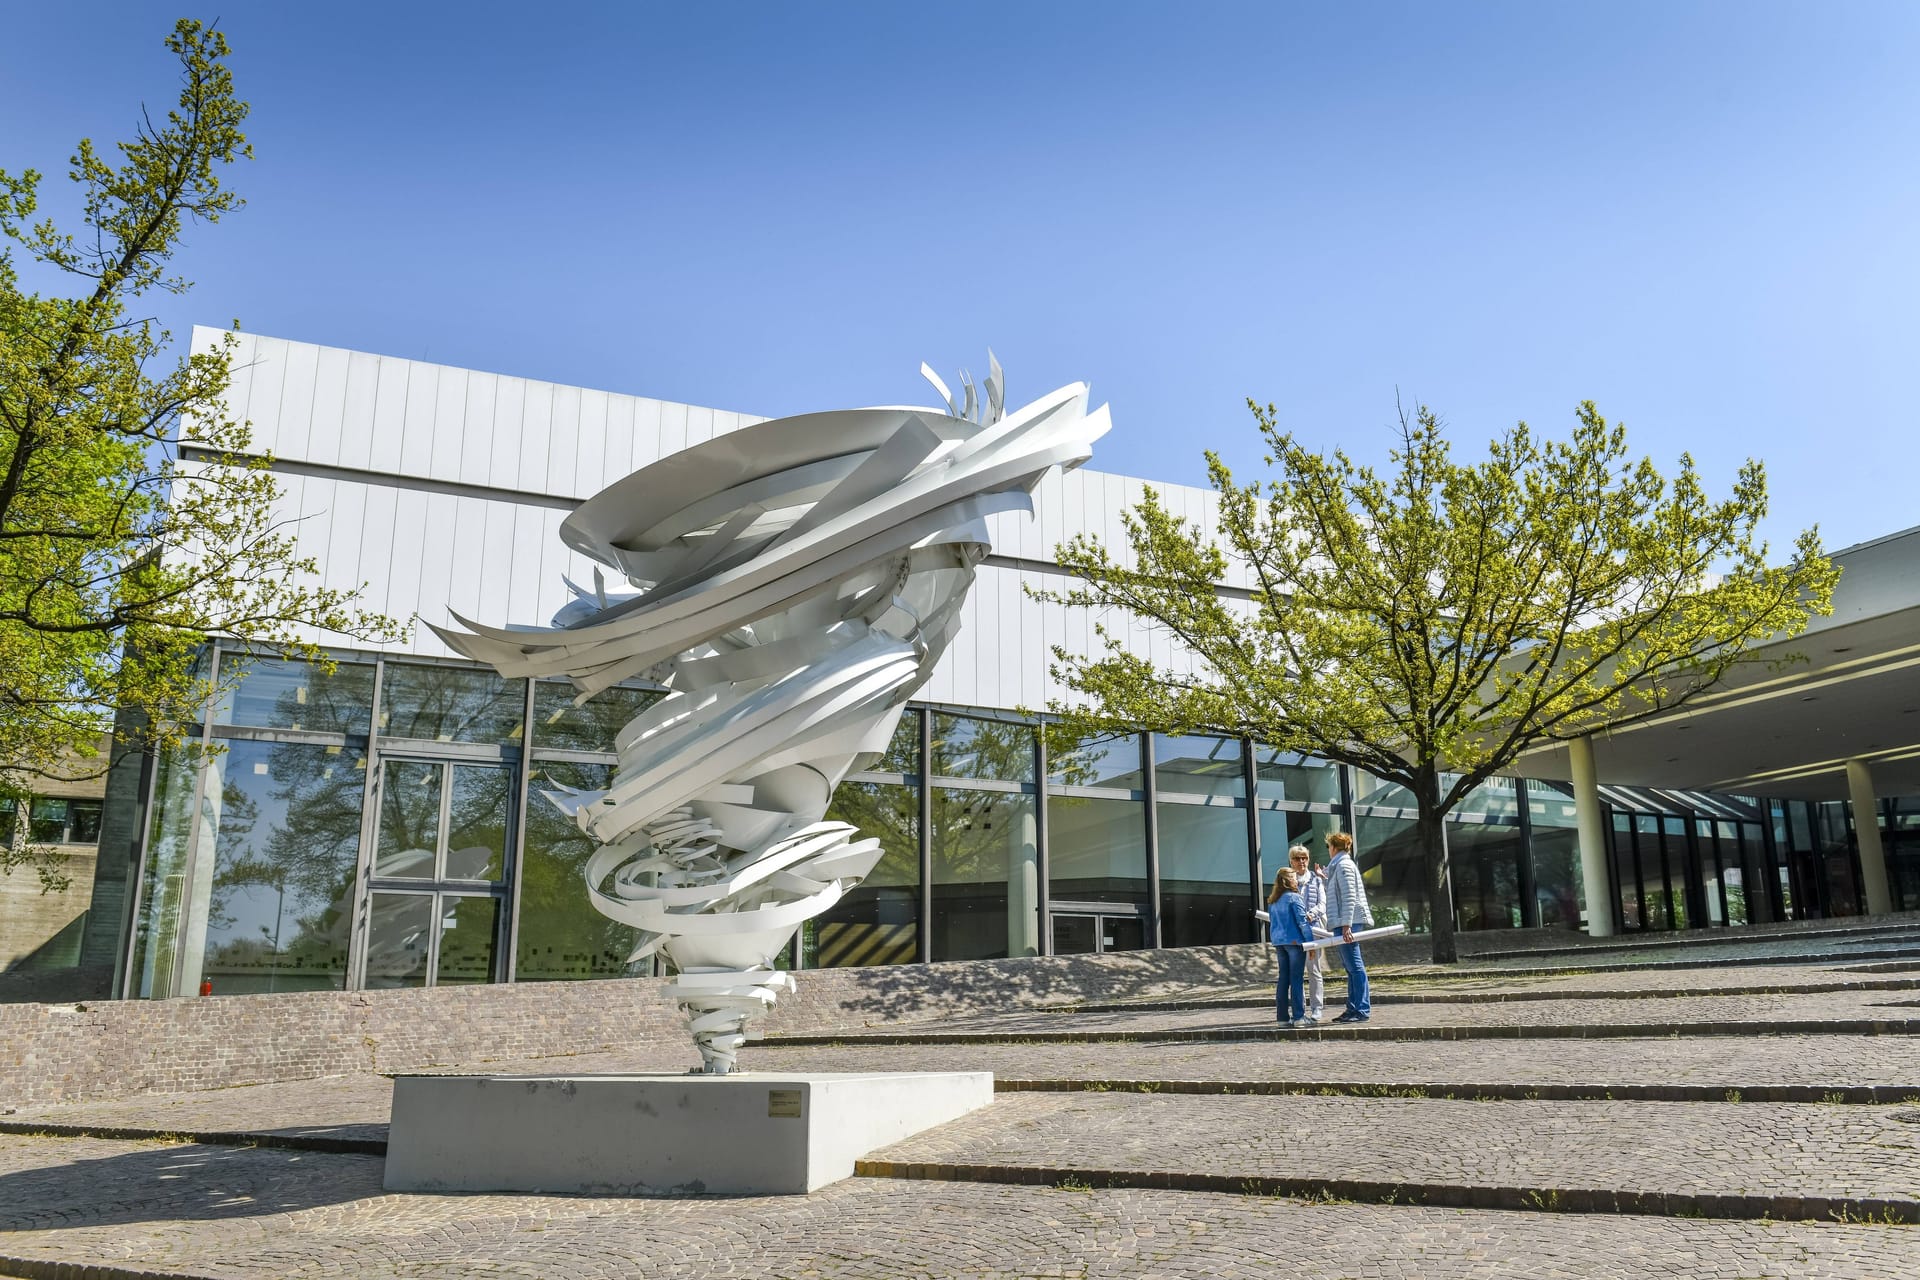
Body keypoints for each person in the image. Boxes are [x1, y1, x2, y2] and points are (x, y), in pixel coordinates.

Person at [1323, 830, 1374, 1023]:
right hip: (1343, 922)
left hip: (1347, 922)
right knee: (1350, 967)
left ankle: (1361, 1009)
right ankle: (1353, 1008)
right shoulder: (1339, 866)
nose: (1329, 850)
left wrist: (1346, 925)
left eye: (1329, 846)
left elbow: (1349, 897)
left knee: (1355, 965)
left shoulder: (1343, 865)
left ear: (1334, 847)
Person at [1266, 865, 1314, 1029]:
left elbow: (1273, 924)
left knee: (1283, 979)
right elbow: (1303, 923)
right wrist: (1311, 944)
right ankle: (1299, 1017)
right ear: (1288, 881)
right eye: (1294, 878)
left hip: (1279, 943)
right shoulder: (1294, 898)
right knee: (1296, 979)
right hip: (1295, 943)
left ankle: (1282, 1018)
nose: (1297, 881)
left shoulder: (1273, 901)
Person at [1289, 843, 1328, 1022]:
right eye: (1297, 858)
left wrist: (1311, 914)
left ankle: (1317, 1008)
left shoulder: (1316, 879)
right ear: (1291, 861)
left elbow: (1322, 904)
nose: (1301, 861)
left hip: (1314, 930)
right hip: (1295, 932)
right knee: (1296, 972)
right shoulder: (1288, 881)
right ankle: (1299, 1010)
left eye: (1304, 858)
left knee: (1314, 970)